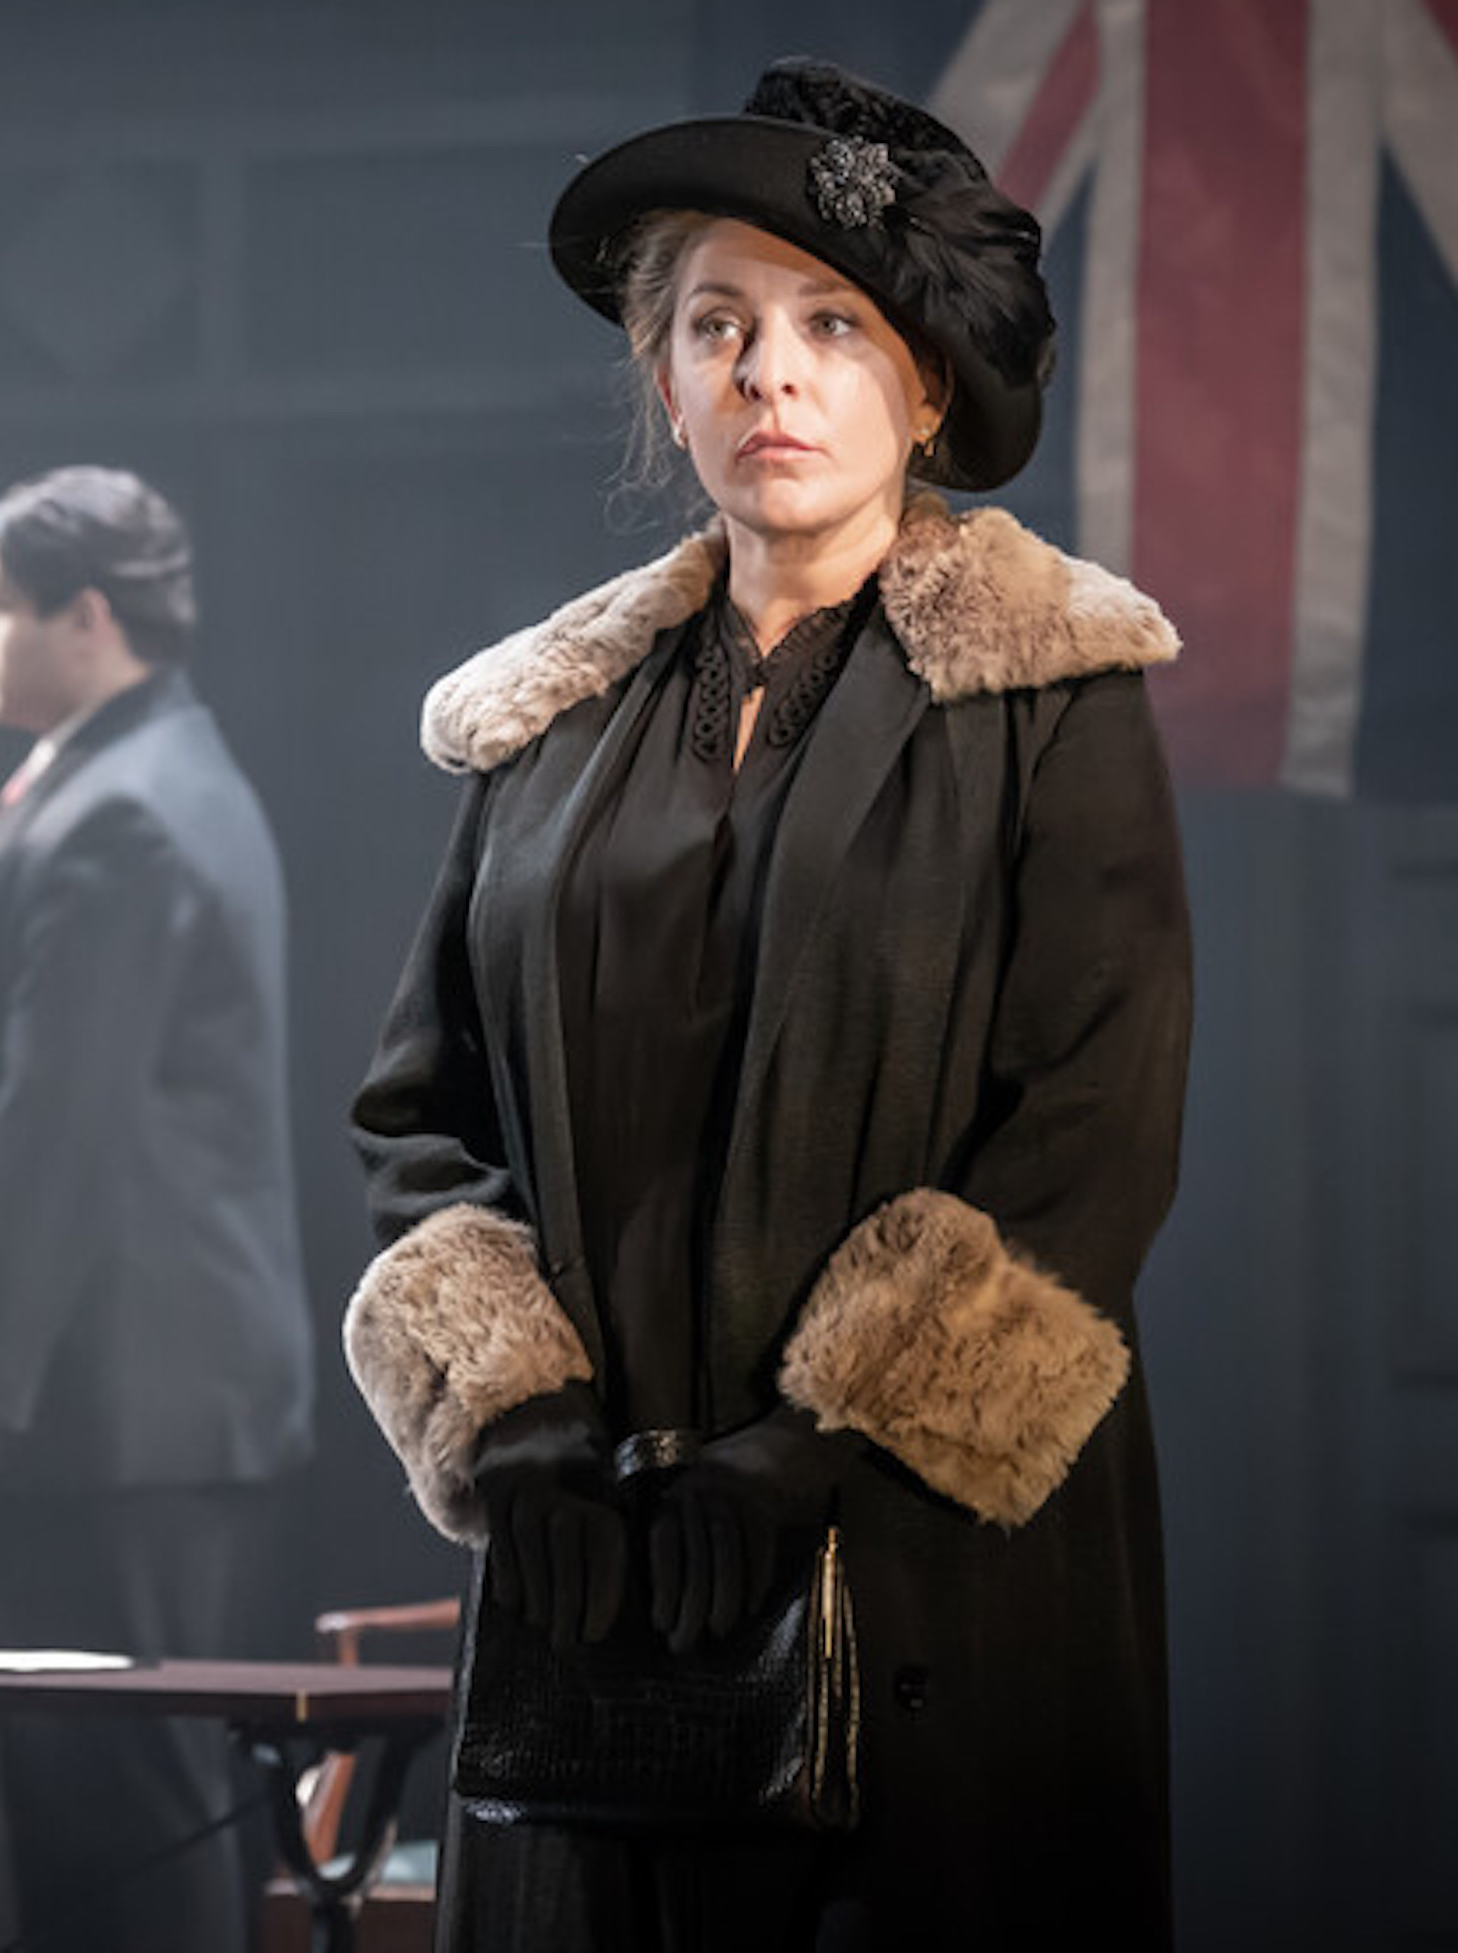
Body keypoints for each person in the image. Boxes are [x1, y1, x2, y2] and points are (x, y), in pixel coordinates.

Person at [343, 59, 1191, 1952]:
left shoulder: (1057, 698)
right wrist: (518, 1423)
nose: (768, 373)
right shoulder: (546, 730)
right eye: (715, 326)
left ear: (923, 387)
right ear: (667, 382)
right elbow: (423, 1117)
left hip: (930, 1591)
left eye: (830, 326)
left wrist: (830, 1445)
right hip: (604, 1590)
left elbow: (1093, 1138)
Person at [0, 465, 316, 1951]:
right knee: (112, 1795)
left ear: (86, 615)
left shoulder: (124, 811)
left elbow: (57, 1123)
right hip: (149, 1399)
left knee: (122, 1807)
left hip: (117, 1401)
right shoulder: (154, 770)